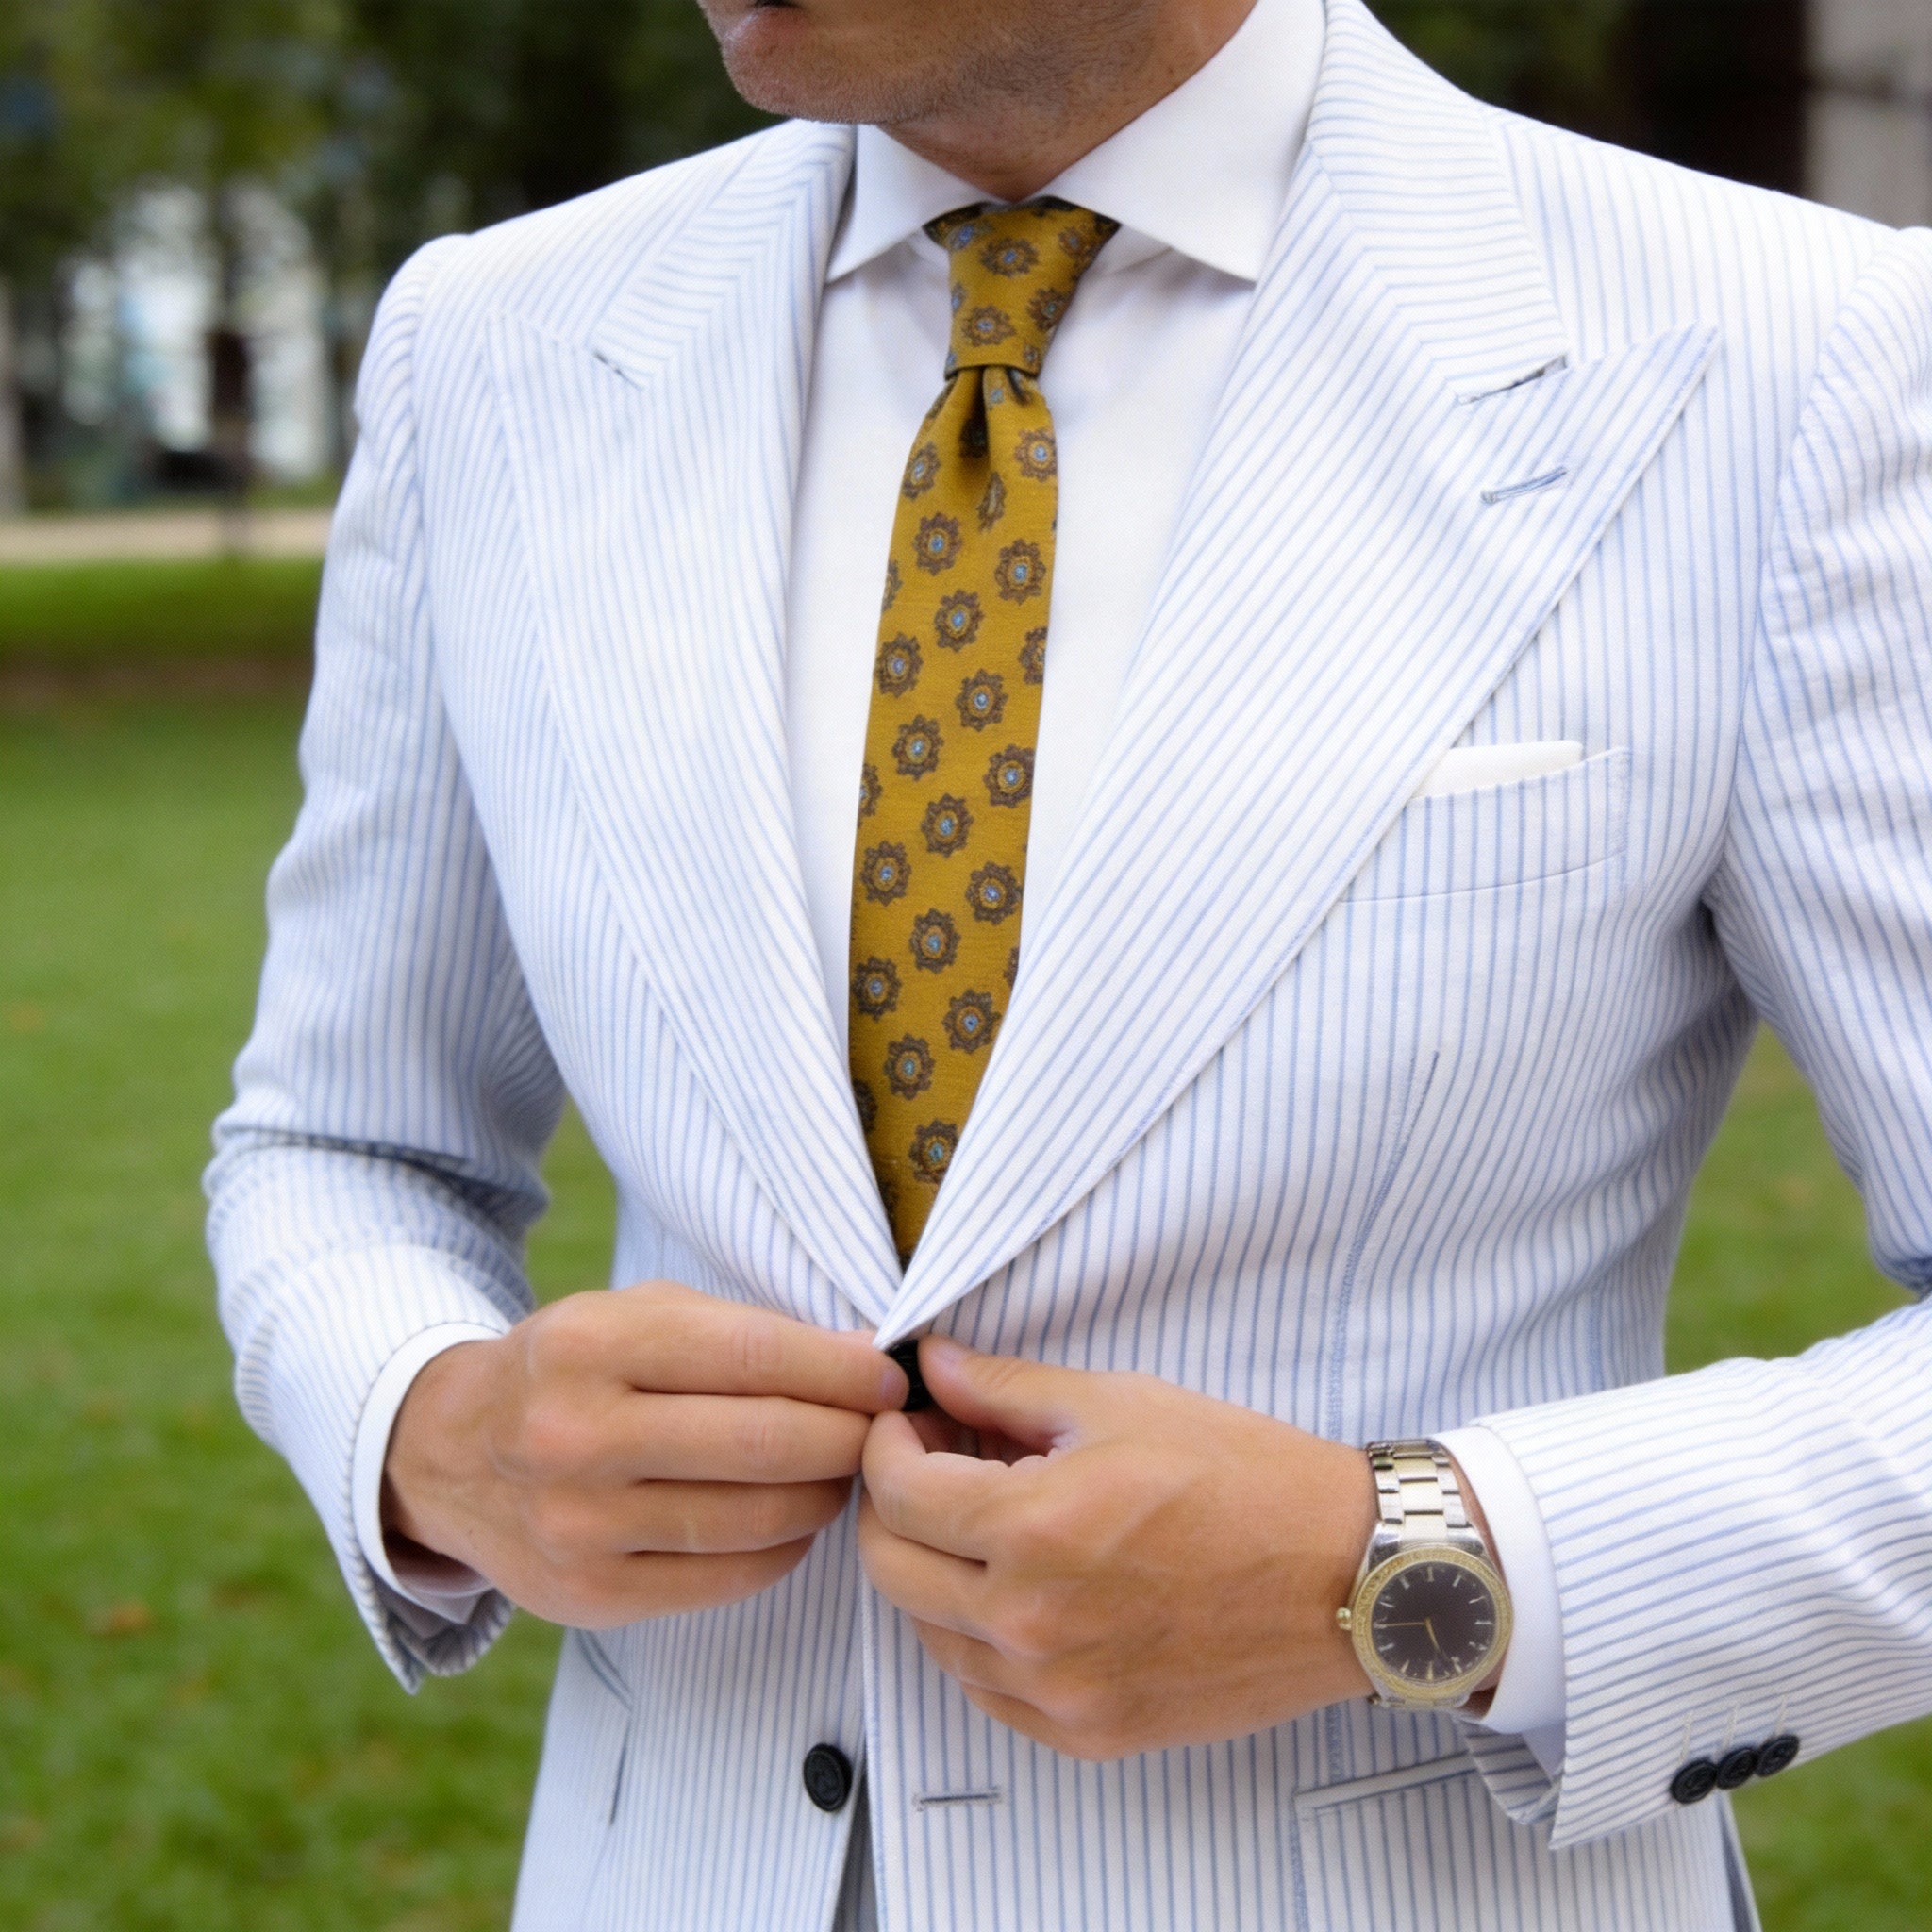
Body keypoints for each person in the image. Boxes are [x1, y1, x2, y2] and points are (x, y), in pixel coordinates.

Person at [206, 0, 1932, 1924]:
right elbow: (342, 1140)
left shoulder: (1797, 355)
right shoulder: (499, 345)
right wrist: (425, 1422)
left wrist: (1406, 1569)